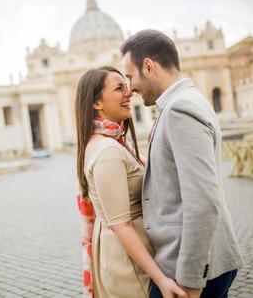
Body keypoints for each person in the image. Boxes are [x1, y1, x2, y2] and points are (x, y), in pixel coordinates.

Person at [121, 30, 244, 298]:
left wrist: (190, 280)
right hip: (196, 263)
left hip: (190, 271)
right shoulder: (183, 101)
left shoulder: (179, 109)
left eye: (130, 77)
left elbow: (202, 200)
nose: (129, 87)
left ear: (149, 67)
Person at [75, 66, 187, 298]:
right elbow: (120, 226)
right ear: (97, 103)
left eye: (126, 86)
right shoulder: (108, 150)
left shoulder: (113, 142)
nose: (129, 93)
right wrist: (162, 280)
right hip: (131, 266)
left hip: (130, 256)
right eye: (119, 88)